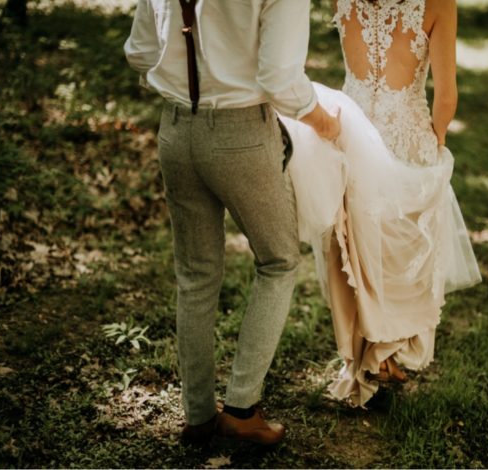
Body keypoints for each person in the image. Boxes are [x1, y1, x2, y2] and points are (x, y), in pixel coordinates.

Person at [124, 0, 341, 447]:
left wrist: (184, 87)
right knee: (279, 260)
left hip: (175, 129)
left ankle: (198, 416)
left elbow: (140, 52)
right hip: (241, 135)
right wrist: (324, 122)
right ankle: (242, 409)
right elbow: (280, 78)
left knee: (196, 275)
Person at [282, 0, 482, 407]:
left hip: (350, 135)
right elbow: (446, 97)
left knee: (354, 249)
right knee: (401, 252)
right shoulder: (438, 4)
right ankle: (385, 352)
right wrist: (437, 142)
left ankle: (361, 359)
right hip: (406, 138)